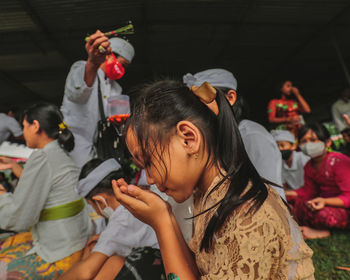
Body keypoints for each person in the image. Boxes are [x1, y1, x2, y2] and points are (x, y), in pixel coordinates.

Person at [112, 80, 314, 279]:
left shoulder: (246, 216)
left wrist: (162, 223)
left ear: (188, 139)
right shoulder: (210, 195)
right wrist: (166, 217)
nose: (151, 179)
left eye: (149, 162)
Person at [0, 103, 92, 279]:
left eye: (25, 126)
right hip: (77, 238)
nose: (23, 132)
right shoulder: (61, 153)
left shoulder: (41, 156)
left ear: (35, 126)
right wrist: (12, 165)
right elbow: (42, 184)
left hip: (59, 249)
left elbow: (18, 218)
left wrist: (2, 196)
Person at [183, 69, 286, 199]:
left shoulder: (252, 135)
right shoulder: (213, 136)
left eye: (202, 100)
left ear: (230, 97)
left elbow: (266, 191)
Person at [59, 158, 160, 280]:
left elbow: (85, 272)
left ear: (99, 201)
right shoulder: (139, 196)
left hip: (160, 266)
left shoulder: (121, 221)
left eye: (92, 206)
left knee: (113, 263)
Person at [61, 31, 135, 167]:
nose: (122, 70)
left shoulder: (116, 88)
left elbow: (116, 121)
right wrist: (93, 63)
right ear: (109, 55)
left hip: (98, 145)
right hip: (72, 142)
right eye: (122, 64)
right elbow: (77, 93)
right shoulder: (83, 68)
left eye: (125, 67)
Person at [285, 123, 350, 239]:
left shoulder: (339, 162)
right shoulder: (308, 166)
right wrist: (286, 193)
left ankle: (323, 232)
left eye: (313, 140)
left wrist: (325, 201)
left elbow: (348, 197)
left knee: (322, 215)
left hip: (343, 208)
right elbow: (308, 191)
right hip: (323, 203)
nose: (308, 144)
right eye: (304, 141)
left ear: (328, 142)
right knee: (291, 205)